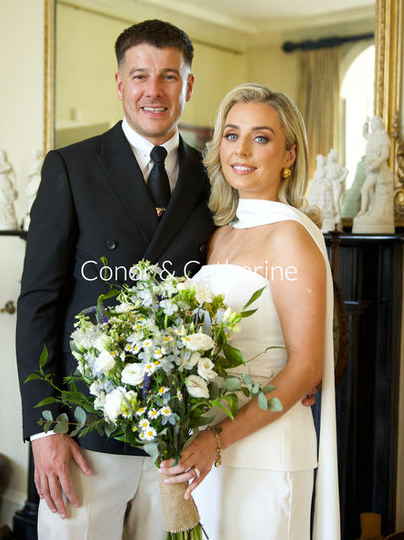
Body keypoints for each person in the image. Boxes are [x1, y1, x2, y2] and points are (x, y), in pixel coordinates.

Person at [16, 19, 215, 540]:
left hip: (175, 435)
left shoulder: (212, 177)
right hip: (85, 432)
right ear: (120, 83)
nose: (154, 90)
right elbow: (38, 301)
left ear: (188, 85)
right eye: (140, 75)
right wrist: (44, 428)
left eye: (169, 76)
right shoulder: (71, 166)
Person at [160, 83, 340, 540]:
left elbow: (306, 366)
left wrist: (215, 441)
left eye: (260, 137)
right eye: (231, 134)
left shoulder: (290, 236)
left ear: (289, 154)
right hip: (209, 449)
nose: (241, 150)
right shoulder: (220, 233)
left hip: (266, 451)